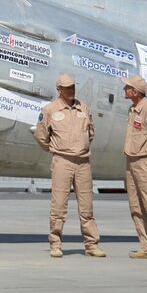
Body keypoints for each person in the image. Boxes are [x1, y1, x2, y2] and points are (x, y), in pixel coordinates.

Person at [33, 71, 103, 258]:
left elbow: (91, 132)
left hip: (83, 162)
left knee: (87, 207)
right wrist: (55, 149)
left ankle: (91, 244)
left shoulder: (84, 108)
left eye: (72, 87)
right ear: (59, 90)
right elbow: (41, 135)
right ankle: (55, 244)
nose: (71, 91)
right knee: (59, 207)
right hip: (62, 161)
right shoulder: (50, 110)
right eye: (66, 88)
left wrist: (81, 147)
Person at [120, 75, 147, 259]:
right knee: (136, 207)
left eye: (127, 87)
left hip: (145, 161)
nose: (124, 90)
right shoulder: (133, 109)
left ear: (135, 92)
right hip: (131, 161)